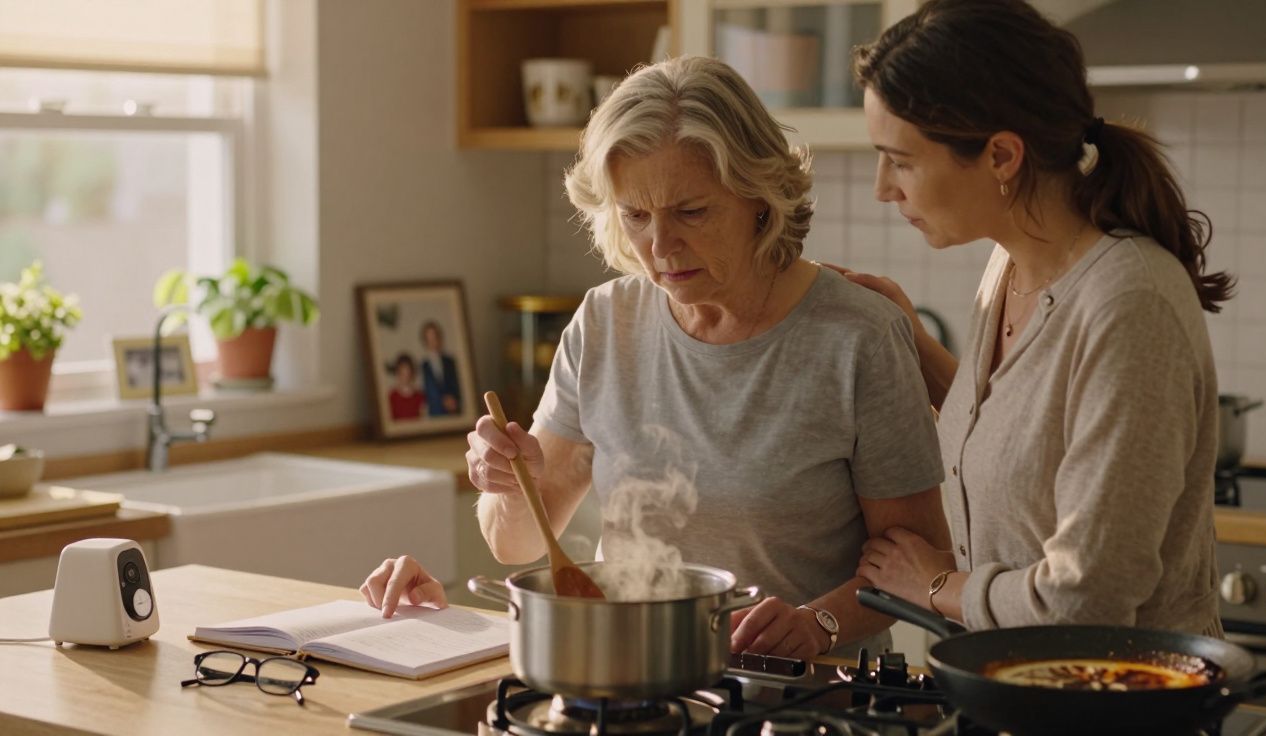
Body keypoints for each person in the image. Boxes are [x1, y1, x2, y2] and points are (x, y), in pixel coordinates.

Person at [361, 56, 949, 659]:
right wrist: (513, 485)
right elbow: (510, 544)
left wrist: (816, 624)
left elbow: (919, 566)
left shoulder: (858, 336)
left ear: (759, 197)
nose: (660, 247)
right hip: (631, 675)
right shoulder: (605, 322)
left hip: (806, 694)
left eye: (691, 212)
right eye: (635, 215)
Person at [844, 0, 1231, 636]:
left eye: (903, 160)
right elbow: (1022, 430)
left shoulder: (1130, 304)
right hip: (1018, 696)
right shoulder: (1008, 265)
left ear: (1001, 156)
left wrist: (939, 585)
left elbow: (1086, 601)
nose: (883, 187)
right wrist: (914, 345)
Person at [419, 321, 461, 416]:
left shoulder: (450, 362)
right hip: (435, 413)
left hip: (453, 412)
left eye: (435, 337)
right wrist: (442, 400)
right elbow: (427, 391)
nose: (433, 341)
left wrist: (453, 399)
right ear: (425, 341)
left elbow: (456, 385)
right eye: (429, 338)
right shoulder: (424, 366)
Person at [387, 352, 425, 421]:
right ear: (397, 372)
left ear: (412, 373)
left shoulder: (420, 396)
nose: (405, 376)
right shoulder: (392, 396)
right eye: (402, 372)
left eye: (407, 371)